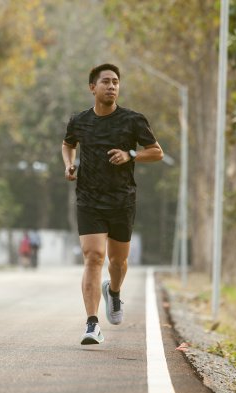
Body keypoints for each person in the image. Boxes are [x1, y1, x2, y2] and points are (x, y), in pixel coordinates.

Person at [61, 63, 163, 345]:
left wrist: (131, 154)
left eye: (116, 82)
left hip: (122, 200)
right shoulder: (79, 120)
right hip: (89, 199)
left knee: (118, 261)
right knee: (93, 256)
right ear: (93, 87)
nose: (112, 86)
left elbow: (156, 152)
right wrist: (70, 164)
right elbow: (68, 144)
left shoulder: (133, 120)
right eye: (106, 81)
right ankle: (92, 324)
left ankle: (114, 292)